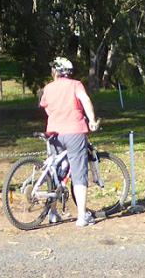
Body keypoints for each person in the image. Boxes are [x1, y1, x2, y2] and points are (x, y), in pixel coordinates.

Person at [39, 56, 100, 227]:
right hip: (74, 131)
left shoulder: (48, 88)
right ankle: (81, 216)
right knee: (79, 171)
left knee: (55, 172)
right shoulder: (76, 85)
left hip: (54, 133)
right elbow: (85, 100)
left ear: (56, 72)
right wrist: (92, 120)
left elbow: (47, 108)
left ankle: (52, 213)